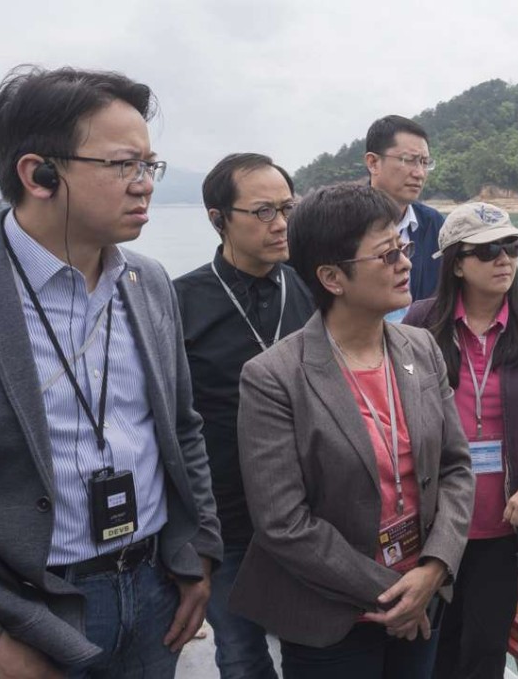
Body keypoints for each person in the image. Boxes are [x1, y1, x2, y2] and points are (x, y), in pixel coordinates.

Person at [0, 65, 223, 678]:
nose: (144, 185)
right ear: (39, 173)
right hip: (15, 616)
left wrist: (197, 555)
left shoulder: (149, 282)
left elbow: (182, 429)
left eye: (150, 166)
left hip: (153, 593)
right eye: (123, 165)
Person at [228, 182, 474, 679]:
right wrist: (394, 591)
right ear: (332, 277)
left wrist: (432, 571)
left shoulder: (420, 347)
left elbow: (456, 468)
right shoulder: (274, 376)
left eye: (402, 248)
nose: (405, 263)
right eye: (386, 255)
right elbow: (283, 522)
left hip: (423, 598)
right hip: (332, 618)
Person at [403, 202, 518, 678]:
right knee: (428, 650)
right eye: (488, 251)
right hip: (433, 523)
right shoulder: (420, 324)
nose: (504, 259)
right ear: (457, 263)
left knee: (483, 653)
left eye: (512, 246)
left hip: (503, 525)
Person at [174, 153, 314, 678]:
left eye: (286, 208)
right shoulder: (180, 301)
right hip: (225, 517)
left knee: (312, 647)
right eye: (261, 211)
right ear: (218, 218)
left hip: (307, 513)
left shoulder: (306, 288)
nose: (280, 224)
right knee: (240, 655)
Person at [364, 115, 444, 319]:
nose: (419, 173)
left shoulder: (434, 225)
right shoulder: (341, 222)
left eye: (424, 163)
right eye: (409, 160)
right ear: (373, 163)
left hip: (419, 345)